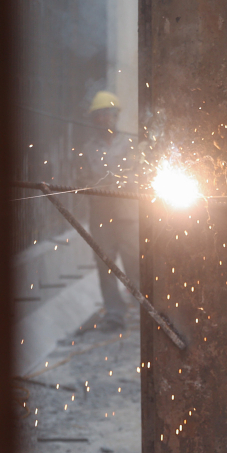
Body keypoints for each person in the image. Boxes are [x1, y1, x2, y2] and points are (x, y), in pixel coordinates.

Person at [76, 91, 140, 332]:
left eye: (108, 114)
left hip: (127, 214)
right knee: (105, 264)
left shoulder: (131, 144)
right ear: (95, 119)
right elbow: (82, 179)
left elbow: (140, 174)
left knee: (135, 262)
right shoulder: (88, 149)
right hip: (101, 216)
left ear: (116, 116)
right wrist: (96, 187)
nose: (105, 119)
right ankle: (115, 313)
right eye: (100, 115)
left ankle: (143, 307)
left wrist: (122, 182)